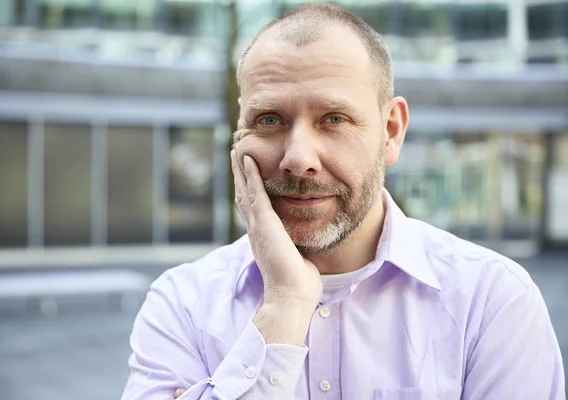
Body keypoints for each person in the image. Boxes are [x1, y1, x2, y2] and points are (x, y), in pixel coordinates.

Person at [122, 3, 565, 400]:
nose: (298, 159)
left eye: (333, 119)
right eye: (269, 119)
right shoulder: (180, 304)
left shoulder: (492, 302)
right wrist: (283, 307)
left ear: (391, 131)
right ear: (240, 133)